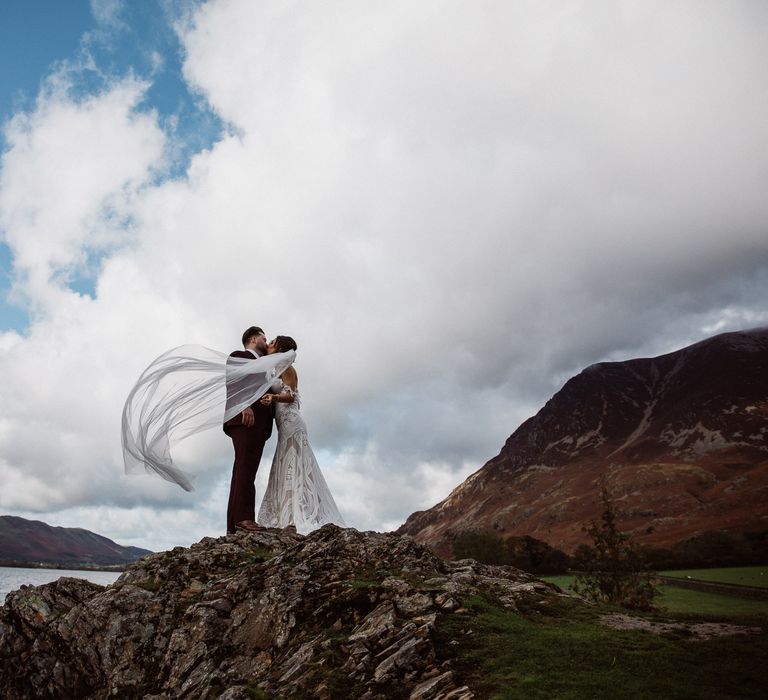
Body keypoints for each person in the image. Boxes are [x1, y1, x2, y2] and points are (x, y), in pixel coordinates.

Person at [257, 335, 345, 533]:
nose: (269, 344)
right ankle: (285, 514)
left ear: (280, 348)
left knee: (293, 465)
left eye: (272, 343)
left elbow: (290, 396)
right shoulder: (275, 369)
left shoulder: (288, 369)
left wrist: (272, 397)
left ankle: (293, 516)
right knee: (287, 464)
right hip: (283, 424)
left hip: (292, 423)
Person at [224, 326, 276, 534]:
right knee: (244, 470)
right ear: (254, 339)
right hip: (245, 419)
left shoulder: (264, 365)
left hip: (259, 426)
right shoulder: (240, 356)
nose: (267, 341)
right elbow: (234, 381)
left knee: (244, 471)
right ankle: (244, 519)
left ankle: (234, 525)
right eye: (265, 338)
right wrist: (243, 405)